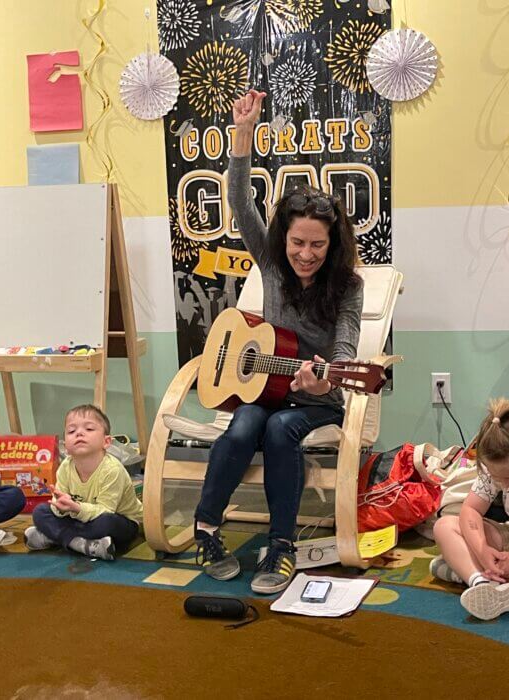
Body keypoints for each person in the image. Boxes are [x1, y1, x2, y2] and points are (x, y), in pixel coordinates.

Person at [193, 89, 363, 595]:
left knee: (282, 427)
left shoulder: (347, 286)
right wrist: (242, 133)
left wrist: (324, 377)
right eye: (296, 242)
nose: (305, 254)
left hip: (315, 397)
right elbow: (240, 202)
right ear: (282, 241)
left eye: (316, 244)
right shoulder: (271, 265)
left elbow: (346, 349)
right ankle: (206, 529)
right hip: (261, 388)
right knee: (244, 426)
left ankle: (281, 545)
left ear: (332, 245)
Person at [431, 398, 509, 620]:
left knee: (443, 562)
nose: (506, 485)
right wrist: (482, 550)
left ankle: (475, 573)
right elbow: (470, 510)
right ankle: (480, 581)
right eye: (499, 479)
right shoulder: (496, 472)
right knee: (445, 525)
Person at [25, 404, 142, 561]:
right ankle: (80, 544)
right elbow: (59, 501)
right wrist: (60, 506)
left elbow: (106, 510)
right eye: (72, 431)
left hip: (118, 519)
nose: (79, 433)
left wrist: (77, 508)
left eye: (89, 429)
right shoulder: (66, 466)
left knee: (105, 523)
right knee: (41, 512)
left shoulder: (112, 469)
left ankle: (55, 537)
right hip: (79, 517)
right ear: (65, 446)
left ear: (106, 442)